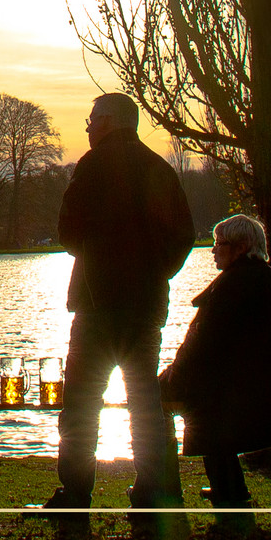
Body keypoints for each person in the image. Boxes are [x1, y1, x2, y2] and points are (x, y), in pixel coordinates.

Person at [44, 92, 194, 512]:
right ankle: (154, 489)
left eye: (91, 120)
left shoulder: (92, 167)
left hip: (95, 306)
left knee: (82, 404)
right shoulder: (160, 169)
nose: (88, 128)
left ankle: (75, 492)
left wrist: (100, 254)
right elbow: (183, 237)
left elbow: (68, 233)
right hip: (146, 307)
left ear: (108, 120)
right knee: (145, 401)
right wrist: (153, 272)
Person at [160, 214, 271, 507]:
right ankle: (230, 490)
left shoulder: (235, 285)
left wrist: (170, 379)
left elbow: (201, 345)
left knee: (156, 401)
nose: (213, 250)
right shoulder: (259, 278)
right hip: (252, 386)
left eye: (220, 244)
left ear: (240, 248)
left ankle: (164, 490)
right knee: (202, 406)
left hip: (240, 392)